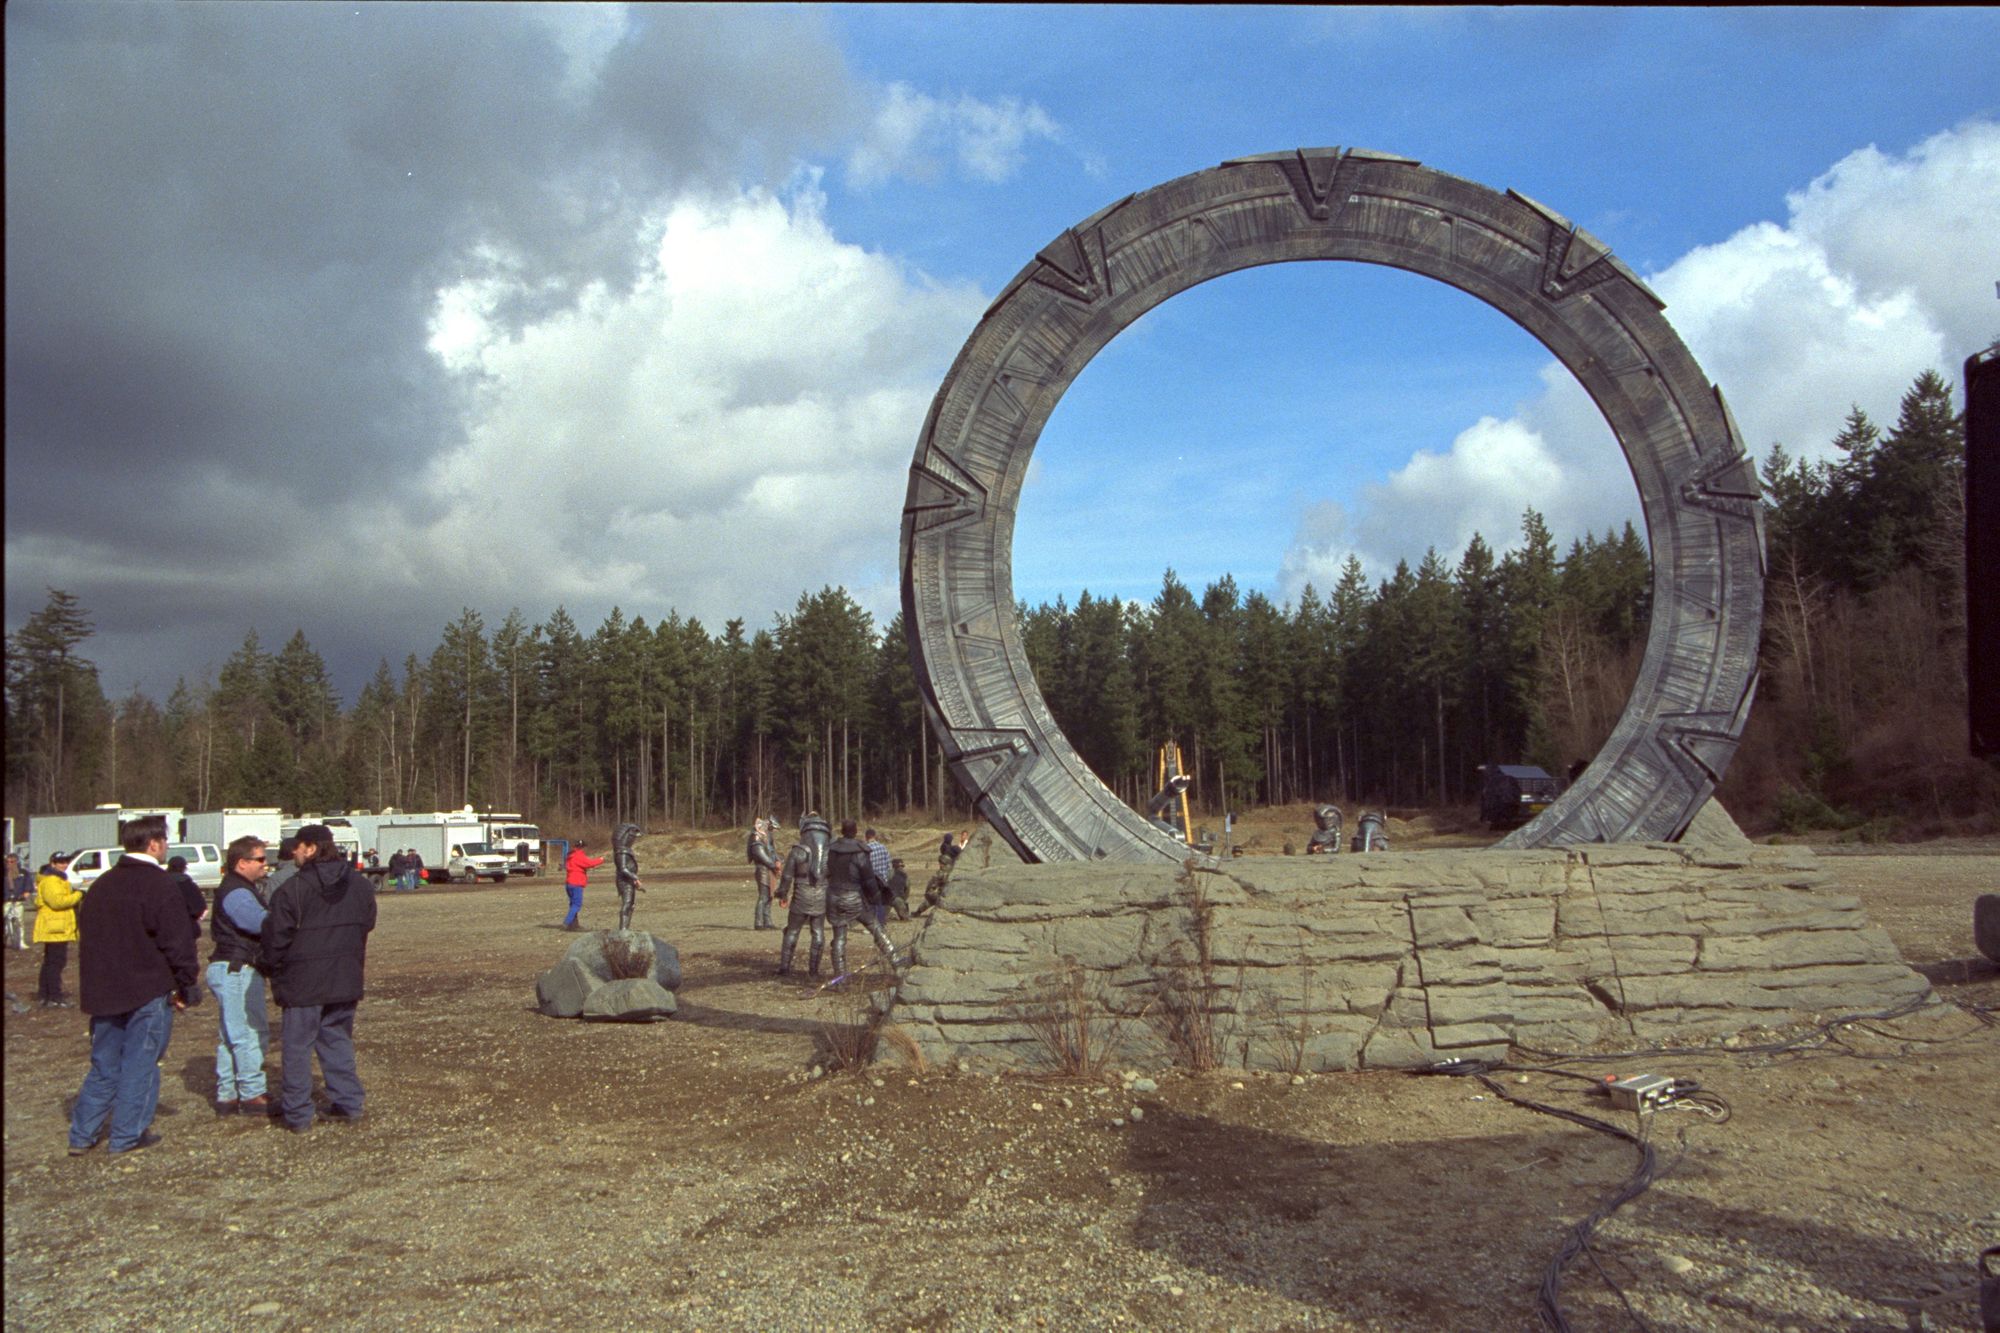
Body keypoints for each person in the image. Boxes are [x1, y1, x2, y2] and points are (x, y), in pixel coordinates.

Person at [66, 816, 200, 1156]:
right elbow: (177, 940)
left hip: (104, 989)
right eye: (165, 841)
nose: (166, 847)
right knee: (141, 1064)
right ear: (153, 844)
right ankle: (127, 1135)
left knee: (104, 1066)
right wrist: (187, 982)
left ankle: (82, 1135)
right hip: (147, 987)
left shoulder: (102, 884)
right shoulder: (159, 884)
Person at [262, 823, 376, 1134]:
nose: (293, 854)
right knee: (337, 1039)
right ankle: (348, 1102)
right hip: (345, 975)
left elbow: (275, 938)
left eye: (297, 848)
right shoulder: (361, 885)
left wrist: (268, 965)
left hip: (303, 981)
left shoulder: (293, 889)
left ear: (311, 848)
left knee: (298, 1046)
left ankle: (298, 1113)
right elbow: (367, 923)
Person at [208, 836, 275, 1116]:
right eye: (260, 859)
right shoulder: (237, 892)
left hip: (230, 968)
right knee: (249, 1032)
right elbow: (258, 923)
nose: (265, 864)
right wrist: (284, 921)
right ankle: (252, 1094)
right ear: (242, 862)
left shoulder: (238, 888)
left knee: (230, 1034)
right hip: (237, 968)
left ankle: (228, 1095)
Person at [825, 820, 899, 980]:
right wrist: (876, 897)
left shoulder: (832, 850)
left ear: (843, 831)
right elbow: (868, 879)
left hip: (833, 896)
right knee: (876, 928)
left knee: (839, 937)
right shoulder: (859, 851)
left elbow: (827, 871)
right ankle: (896, 962)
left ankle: (839, 979)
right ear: (855, 831)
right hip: (853, 897)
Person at [775, 813, 831, 977]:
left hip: (801, 896)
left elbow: (786, 876)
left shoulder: (798, 851)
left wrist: (782, 893)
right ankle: (813, 971)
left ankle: (785, 968)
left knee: (792, 931)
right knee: (818, 932)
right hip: (821, 895)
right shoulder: (830, 852)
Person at [34, 850, 83, 1007]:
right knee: (56, 962)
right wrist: (78, 895)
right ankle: (54, 996)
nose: (64, 864)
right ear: (52, 864)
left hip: (57, 926)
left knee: (51, 961)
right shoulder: (52, 881)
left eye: (66, 861)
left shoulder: (59, 880)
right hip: (55, 927)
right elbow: (57, 902)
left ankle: (45, 994)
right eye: (60, 862)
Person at [562, 840, 603, 931]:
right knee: (577, 904)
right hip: (577, 883)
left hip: (569, 883)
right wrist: (601, 860)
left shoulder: (570, 856)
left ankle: (574, 925)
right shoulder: (579, 856)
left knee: (573, 904)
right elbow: (590, 863)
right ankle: (567, 922)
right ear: (582, 847)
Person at [746, 818, 779, 930]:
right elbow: (761, 855)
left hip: (769, 870)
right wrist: (773, 865)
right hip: (763, 870)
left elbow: (773, 853)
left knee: (770, 896)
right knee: (763, 896)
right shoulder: (757, 838)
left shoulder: (767, 838)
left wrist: (778, 861)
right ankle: (759, 922)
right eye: (773, 829)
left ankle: (768, 921)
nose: (774, 831)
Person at [612, 822, 644, 932]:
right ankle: (623, 929)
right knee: (627, 904)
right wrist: (635, 878)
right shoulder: (621, 852)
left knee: (631, 905)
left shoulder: (625, 851)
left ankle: (626, 928)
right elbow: (623, 868)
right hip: (624, 881)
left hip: (628, 881)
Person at [167, 855, 208, 937]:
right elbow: (200, 907)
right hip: (187, 928)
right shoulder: (188, 885)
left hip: (164, 928)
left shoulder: (160, 882)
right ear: (183, 868)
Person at [863, 828, 894, 929]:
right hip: (883, 880)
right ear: (875, 836)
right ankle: (881, 923)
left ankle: (873, 925)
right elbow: (889, 865)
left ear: (866, 837)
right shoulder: (883, 847)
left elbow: (863, 866)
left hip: (871, 879)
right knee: (880, 902)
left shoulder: (866, 848)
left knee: (870, 903)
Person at [5, 852, 32, 951]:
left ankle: (21, 942)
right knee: (5, 922)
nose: (10, 864)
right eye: (7, 862)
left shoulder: (23, 873)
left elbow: (29, 886)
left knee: (19, 922)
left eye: (12, 862)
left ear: (17, 862)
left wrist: (25, 894)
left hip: (18, 901)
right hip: (6, 901)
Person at [886, 857, 911, 922]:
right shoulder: (905, 876)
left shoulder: (887, 873)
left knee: (880, 918)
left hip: (886, 899)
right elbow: (907, 891)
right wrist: (903, 900)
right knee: (906, 919)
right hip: (898, 899)